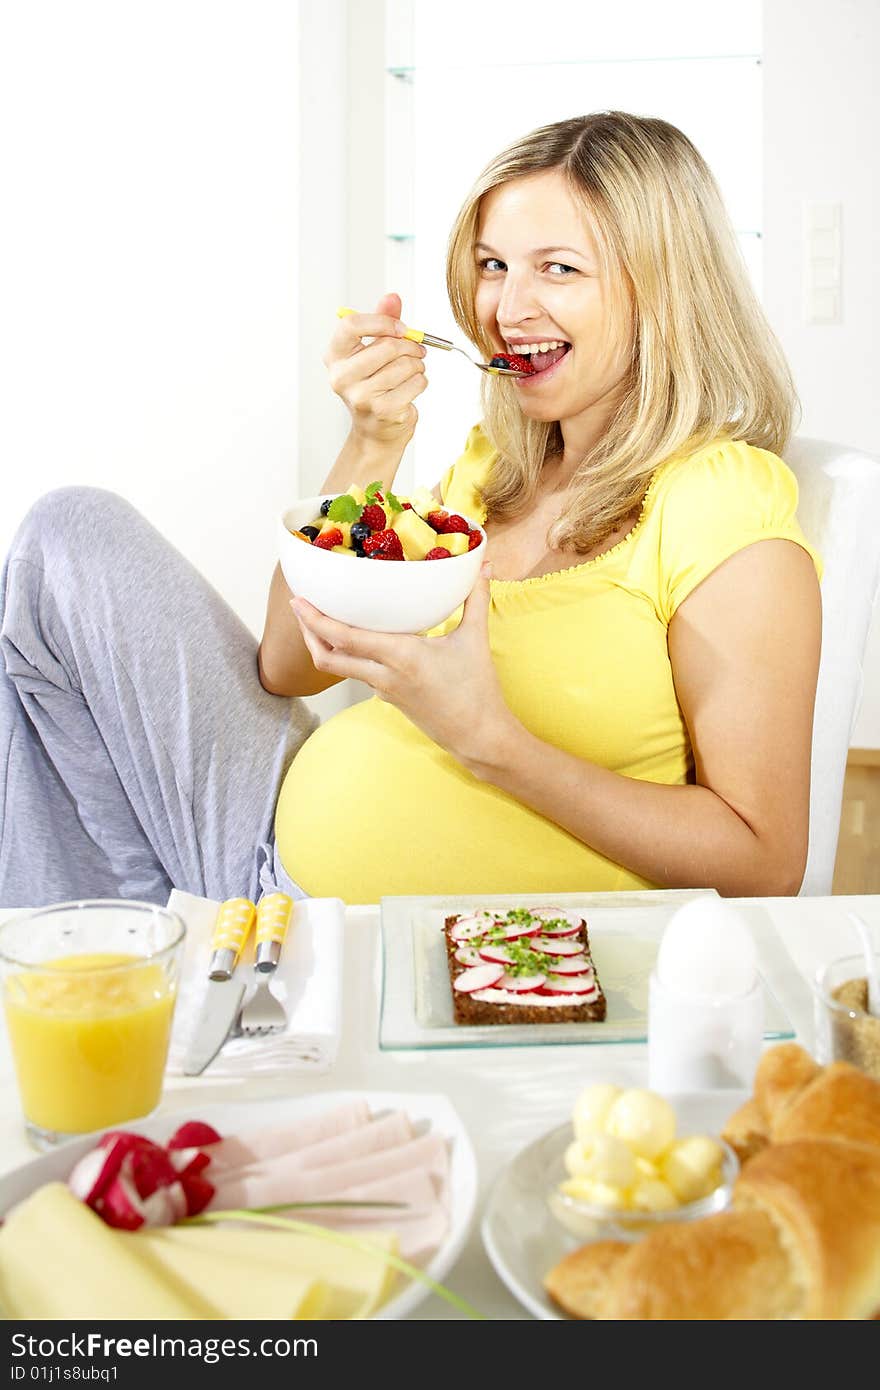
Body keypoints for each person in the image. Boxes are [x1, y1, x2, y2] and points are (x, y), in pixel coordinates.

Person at [0, 111, 821, 911]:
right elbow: (290, 667)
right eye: (494, 265)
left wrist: (490, 740)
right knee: (64, 538)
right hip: (265, 836)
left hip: (366, 926)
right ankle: (119, 954)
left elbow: (764, 860)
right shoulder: (491, 470)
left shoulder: (718, 502)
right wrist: (373, 442)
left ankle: (123, 952)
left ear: (667, 291)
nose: (507, 307)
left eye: (559, 269)